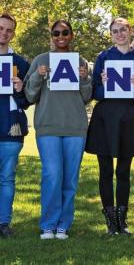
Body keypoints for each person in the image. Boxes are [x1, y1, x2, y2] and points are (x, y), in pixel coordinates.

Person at [24, 19, 92, 240]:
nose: (60, 36)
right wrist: (38, 75)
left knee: (70, 179)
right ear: (51, 36)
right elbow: (29, 95)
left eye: (65, 32)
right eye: (56, 33)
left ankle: (63, 224)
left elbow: (86, 97)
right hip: (48, 127)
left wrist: (84, 79)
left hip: (75, 128)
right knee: (52, 175)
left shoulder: (80, 61)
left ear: (71, 35)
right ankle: (48, 224)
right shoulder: (40, 60)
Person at [85, 17, 134, 236]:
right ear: (111, 34)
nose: (119, 34)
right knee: (105, 171)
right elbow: (93, 92)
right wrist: (104, 85)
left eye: (123, 30)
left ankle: (122, 222)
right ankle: (110, 222)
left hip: (127, 117)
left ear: (131, 31)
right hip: (105, 117)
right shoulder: (103, 57)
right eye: (115, 31)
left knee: (124, 171)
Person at [0, 13, 30, 238]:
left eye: (9, 30)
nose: (4, 33)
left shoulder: (20, 63)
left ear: (14, 33)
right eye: (1, 28)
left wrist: (20, 88)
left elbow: (28, 100)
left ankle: (3, 223)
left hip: (11, 128)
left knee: (7, 178)